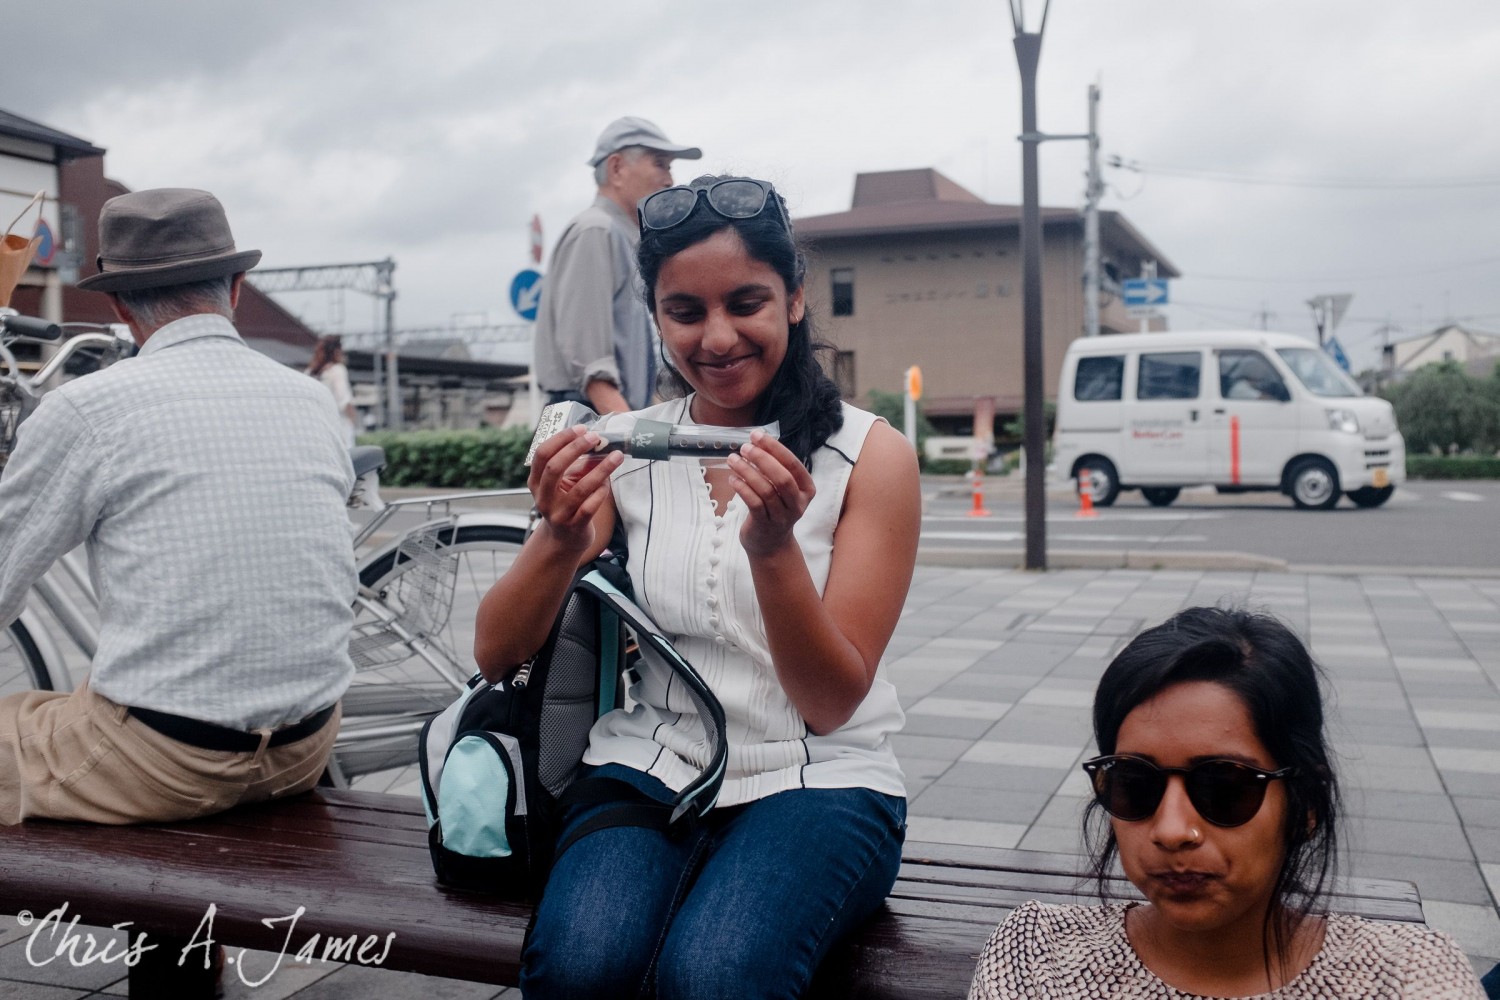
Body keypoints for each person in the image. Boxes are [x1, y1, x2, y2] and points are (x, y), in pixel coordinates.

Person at [476, 175, 922, 998]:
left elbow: (830, 702)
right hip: (651, 760)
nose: (717, 337)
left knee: (715, 975)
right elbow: (497, 653)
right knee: (579, 968)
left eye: (746, 303)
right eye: (685, 312)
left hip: (821, 774)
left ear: (794, 298)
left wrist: (774, 551)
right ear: (655, 316)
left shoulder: (870, 455)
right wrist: (560, 539)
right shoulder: (625, 447)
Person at [0, 188, 355, 825]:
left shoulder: (85, 409)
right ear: (236, 288)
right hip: (304, 750)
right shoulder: (311, 398)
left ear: (117, 303)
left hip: (163, 764)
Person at [968, 607, 1484, 999]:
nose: (1172, 830)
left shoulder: (1409, 976)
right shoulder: (1038, 955)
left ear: (1305, 803)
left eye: (1224, 787)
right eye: (1135, 783)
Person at [532, 116, 701, 415]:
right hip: (586, 415)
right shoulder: (597, 231)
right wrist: (629, 433)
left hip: (598, 416)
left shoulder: (622, 237)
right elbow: (590, 365)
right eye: (660, 164)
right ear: (617, 168)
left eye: (670, 167)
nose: (670, 180)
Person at [307, 334, 357, 445]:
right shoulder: (337, 370)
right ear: (336, 352)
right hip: (338, 424)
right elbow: (344, 400)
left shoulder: (310, 373)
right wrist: (353, 419)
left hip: (315, 426)